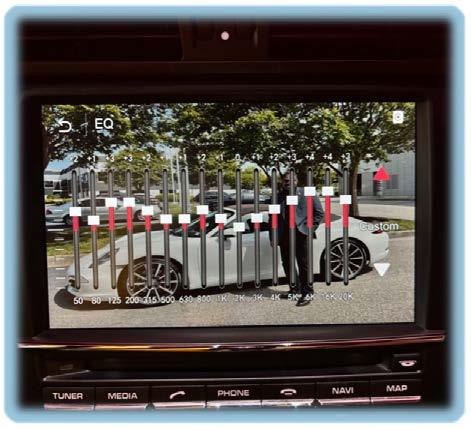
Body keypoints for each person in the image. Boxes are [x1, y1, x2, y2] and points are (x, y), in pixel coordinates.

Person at [271, 171, 324, 307]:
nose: (288, 183)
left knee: (304, 265)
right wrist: (273, 236)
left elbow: (319, 213)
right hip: (284, 236)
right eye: (285, 181)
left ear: (296, 181)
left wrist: (307, 228)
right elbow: (273, 217)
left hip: (301, 234)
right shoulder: (277, 196)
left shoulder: (307, 193)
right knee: (287, 264)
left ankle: (308, 293)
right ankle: (294, 290)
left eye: (291, 180)